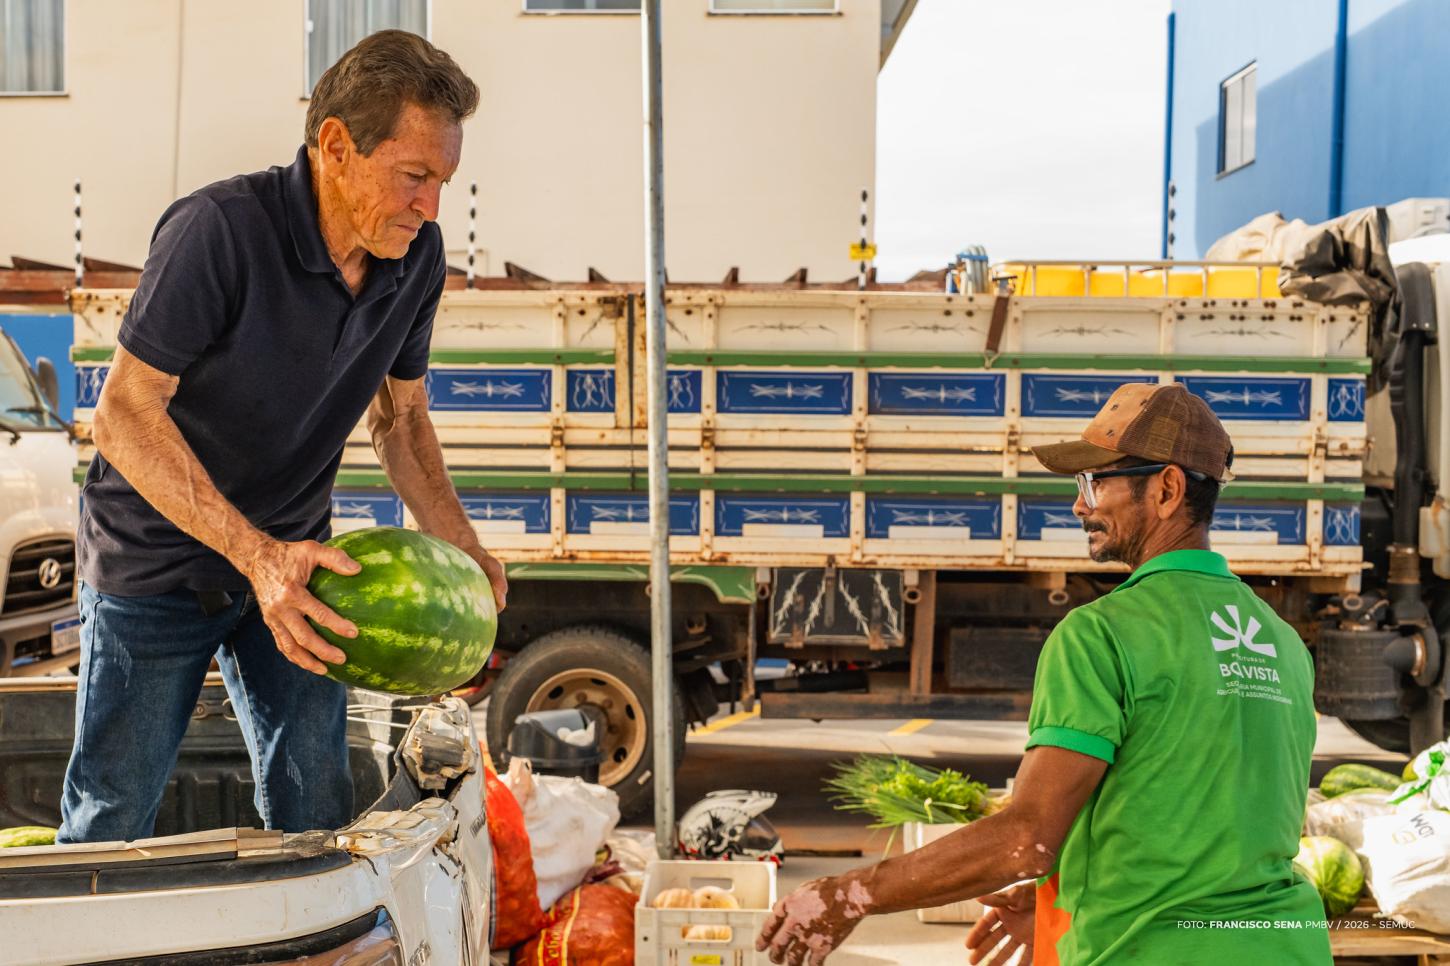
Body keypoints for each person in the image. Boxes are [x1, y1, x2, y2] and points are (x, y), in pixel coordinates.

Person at [58, 30, 507, 843]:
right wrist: (255, 557)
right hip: (153, 567)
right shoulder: (218, 231)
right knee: (111, 821)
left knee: (316, 813)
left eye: (443, 182)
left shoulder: (416, 257)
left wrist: (463, 545)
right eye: (414, 176)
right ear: (335, 146)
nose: (431, 207)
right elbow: (123, 413)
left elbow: (400, 418)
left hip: (299, 570)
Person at [756, 383, 1331, 965]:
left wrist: (850, 894)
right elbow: (1204, 812)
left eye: (1095, 482)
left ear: (1166, 489)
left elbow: (1025, 839)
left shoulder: (1101, 634)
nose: (1080, 505)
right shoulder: (1281, 641)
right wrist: (1066, 895)